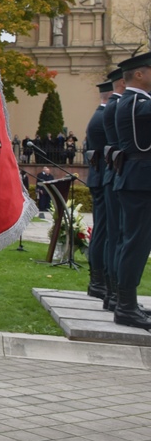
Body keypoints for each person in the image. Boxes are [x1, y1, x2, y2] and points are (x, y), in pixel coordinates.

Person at [111, 53, 151, 330]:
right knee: (135, 243)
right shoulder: (137, 102)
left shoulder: (137, 101)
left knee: (136, 243)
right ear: (139, 74)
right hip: (140, 180)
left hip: (138, 180)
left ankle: (127, 302)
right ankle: (125, 306)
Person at [83, 80, 114, 302]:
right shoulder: (103, 117)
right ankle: (98, 281)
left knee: (102, 231)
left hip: (100, 177)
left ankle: (98, 281)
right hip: (103, 179)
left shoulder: (100, 115)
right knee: (103, 231)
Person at [101, 68, 125, 312]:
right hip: (122, 177)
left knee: (114, 235)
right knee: (120, 237)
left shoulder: (114, 106)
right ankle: (119, 297)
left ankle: (113, 293)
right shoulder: (118, 107)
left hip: (114, 176)